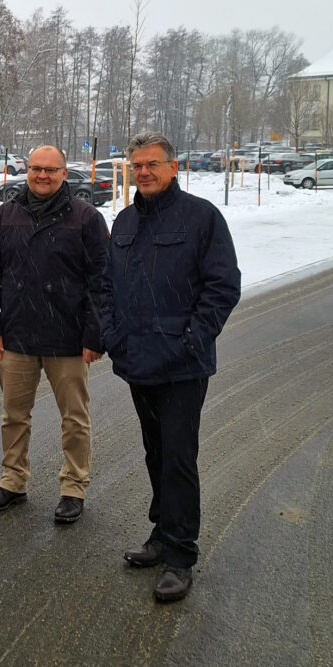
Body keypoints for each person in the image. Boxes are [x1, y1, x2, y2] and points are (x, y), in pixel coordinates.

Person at [95, 132, 240, 601]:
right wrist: (113, 336)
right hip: (137, 360)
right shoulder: (124, 221)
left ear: (173, 168)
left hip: (183, 367)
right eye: (137, 165)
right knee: (155, 452)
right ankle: (161, 533)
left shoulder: (201, 218)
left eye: (153, 164)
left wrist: (192, 339)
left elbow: (223, 286)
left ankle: (180, 554)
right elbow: (106, 287)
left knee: (178, 457)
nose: (144, 172)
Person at [0, 145, 108, 524]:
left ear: (64, 174)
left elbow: (102, 281)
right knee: (13, 416)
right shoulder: (6, 215)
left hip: (69, 339)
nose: (42, 176)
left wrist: (95, 334)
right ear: (27, 171)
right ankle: (13, 480)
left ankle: (73, 487)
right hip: (16, 335)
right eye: (36, 168)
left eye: (51, 170)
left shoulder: (86, 218)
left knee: (74, 418)